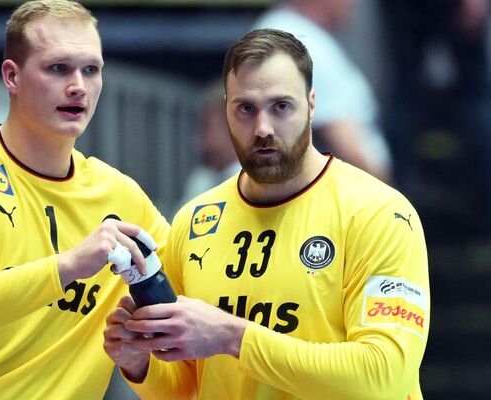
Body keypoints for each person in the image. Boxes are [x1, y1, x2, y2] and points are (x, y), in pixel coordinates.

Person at [104, 29, 430, 399]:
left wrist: (233, 337)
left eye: (281, 107)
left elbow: (382, 378)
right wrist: (139, 362)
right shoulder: (194, 220)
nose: (262, 129)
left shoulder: (380, 214)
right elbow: (185, 387)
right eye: (246, 109)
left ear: (311, 104)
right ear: (225, 109)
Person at [0, 0, 169, 398]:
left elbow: (188, 316)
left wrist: (139, 362)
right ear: (11, 77)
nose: (78, 86)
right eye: (58, 68)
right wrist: (66, 267)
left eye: (91, 70)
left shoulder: (123, 197)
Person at [253, 0, 392, 183]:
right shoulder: (293, 39)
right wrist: (388, 203)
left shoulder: (304, 33)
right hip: (334, 198)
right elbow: (347, 148)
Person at [179, 80, 241, 206]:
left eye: (205, 126)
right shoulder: (200, 182)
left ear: (233, 128)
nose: (198, 143)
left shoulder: (260, 189)